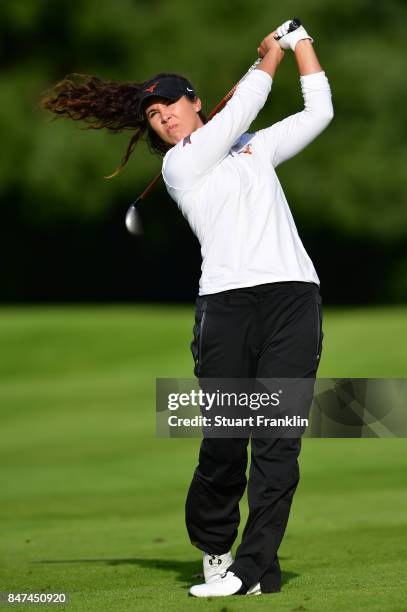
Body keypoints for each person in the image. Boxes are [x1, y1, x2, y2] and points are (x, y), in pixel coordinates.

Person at [41, 19, 333, 598]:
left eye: (170, 103)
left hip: (293, 299)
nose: (163, 116)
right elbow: (245, 105)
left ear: (195, 101)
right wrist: (268, 55)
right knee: (226, 442)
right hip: (226, 308)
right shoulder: (181, 166)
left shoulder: (253, 148)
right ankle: (215, 545)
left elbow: (318, 112)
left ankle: (253, 569)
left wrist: (302, 44)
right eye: (152, 115)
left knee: (278, 441)